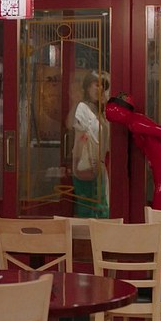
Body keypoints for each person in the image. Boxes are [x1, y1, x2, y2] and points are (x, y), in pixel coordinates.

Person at [105, 92, 161, 211]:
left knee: (160, 215)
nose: (110, 112)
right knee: (160, 215)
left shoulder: (137, 123)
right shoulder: (134, 124)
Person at [69, 71, 110, 218]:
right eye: (96, 85)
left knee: (102, 209)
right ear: (87, 87)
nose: (100, 89)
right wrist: (75, 165)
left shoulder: (101, 112)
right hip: (87, 165)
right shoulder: (83, 108)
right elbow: (79, 137)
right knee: (88, 210)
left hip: (100, 166)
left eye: (103, 86)